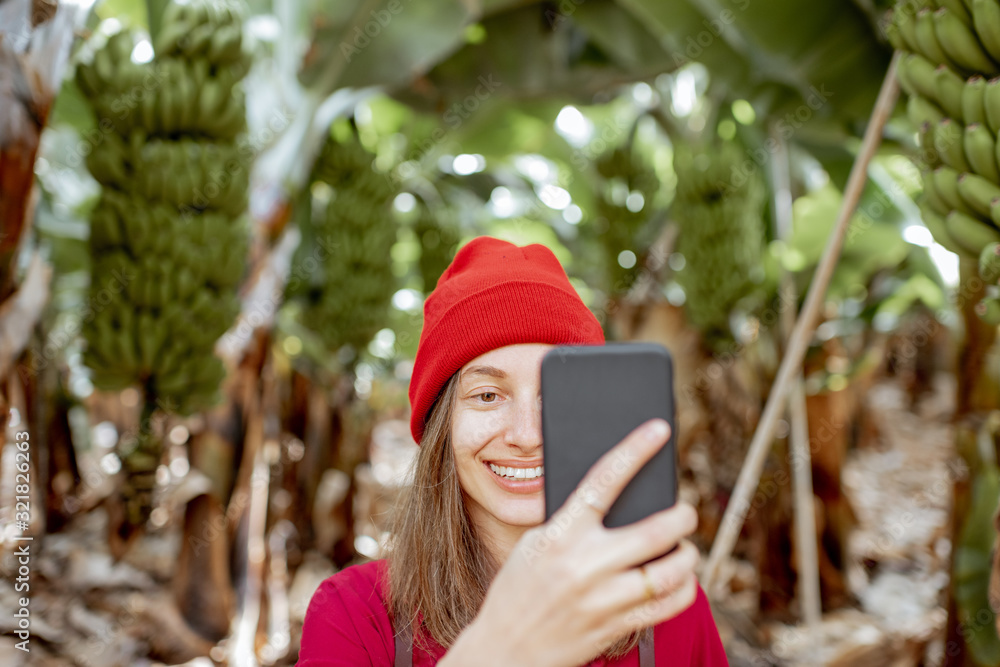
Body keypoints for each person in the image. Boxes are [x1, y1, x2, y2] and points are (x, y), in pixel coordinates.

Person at [298, 236, 728, 666]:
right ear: (440, 429)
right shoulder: (353, 617)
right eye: (487, 396)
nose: (526, 435)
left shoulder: (669, 612)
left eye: (555, 395)